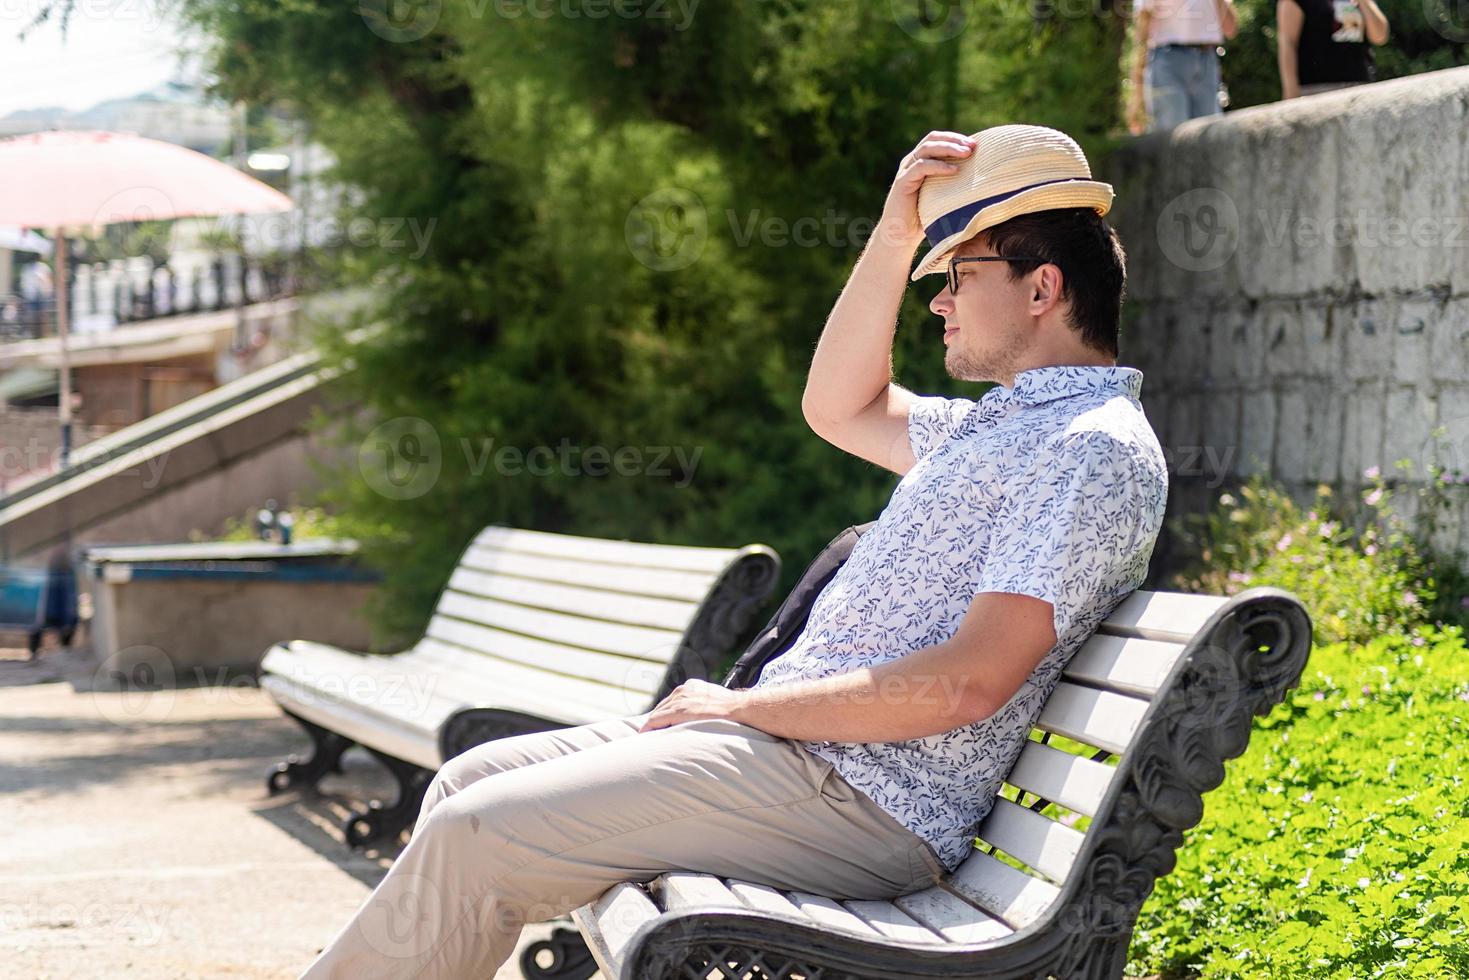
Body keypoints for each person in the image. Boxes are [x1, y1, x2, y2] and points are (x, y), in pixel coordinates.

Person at [297, 124, 1169, 979]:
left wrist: (743, 709)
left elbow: (968, 680)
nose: (935, 298)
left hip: (864, 801)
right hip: (802, 766)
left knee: (474, 834)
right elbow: (837, 405)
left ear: (1040, 287)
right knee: (464, 784)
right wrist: (893, 234)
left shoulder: (1086, 446)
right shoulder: (1000, 422)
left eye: (957, 276)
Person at [1128, 0, 1239, 134]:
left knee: (1210, 133)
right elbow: (1142, 27)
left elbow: (1230, 29)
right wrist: (1137, 85)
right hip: (1168, 60)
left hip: (1207, 60)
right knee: (1172, 133)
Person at [1277, 0, 1389, 99]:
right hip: (1317, 91)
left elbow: (1380, 37)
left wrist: (1365, 2)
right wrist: (1290, 92)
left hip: (1360, 87)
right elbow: (1288, 43)